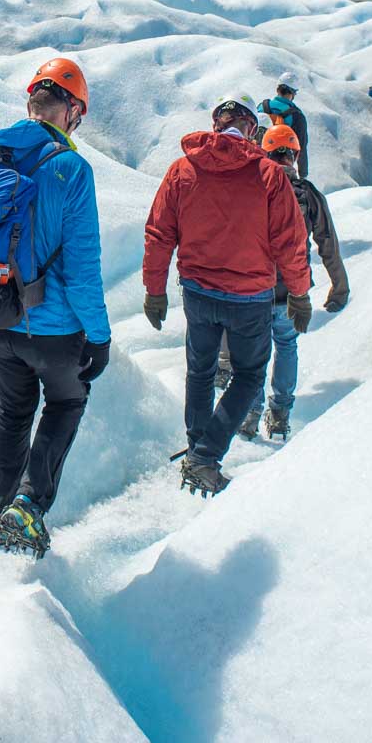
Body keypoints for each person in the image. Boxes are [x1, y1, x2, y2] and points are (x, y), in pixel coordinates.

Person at [0, 58, 111, 559]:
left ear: (30, 101)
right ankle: (27, 510)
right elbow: (81, 269)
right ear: (72, 112)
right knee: (66, 403)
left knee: (13, 410)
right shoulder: (71, 168)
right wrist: (98, 336)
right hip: (56, 331)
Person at [142, 93, 311, 496]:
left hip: (198, 292)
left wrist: (154, 290)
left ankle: (198, 448)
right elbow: (290, 242)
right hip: (250, 296)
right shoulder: (269, 175)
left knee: (200, 372)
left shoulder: (182, 169)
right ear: (253, 127)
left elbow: (159, 233)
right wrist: (300, 296)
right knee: (250, 375)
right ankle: (205, 457)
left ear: (216, 124)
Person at [234, 124, 350, 441]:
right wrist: (339, 287)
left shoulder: (251, 188)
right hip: (293, 290)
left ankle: (250, 413)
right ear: (295, 154)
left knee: (253, 354)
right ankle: (280, 414)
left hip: (253, 290)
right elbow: (328, 243)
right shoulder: (308, 194)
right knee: (286, 346)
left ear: (265, 152)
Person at [258, 70, 309, 177]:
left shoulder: (261, 106)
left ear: (277, 89)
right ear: (293, 93)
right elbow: (302, 147)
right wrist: (303, 175)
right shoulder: (297, 115)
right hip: (281, 167)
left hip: (257, 164)